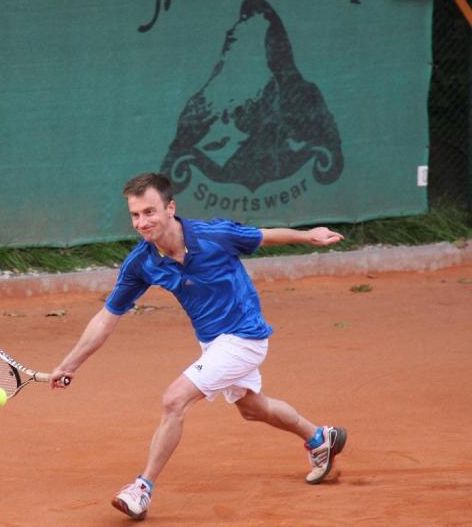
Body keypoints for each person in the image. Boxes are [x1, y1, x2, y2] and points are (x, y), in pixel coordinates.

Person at [49, 172, 347, 521]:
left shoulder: (215, 235)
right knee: (253, 408)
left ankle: (142, 488)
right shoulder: (142, 262)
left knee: (174, 399)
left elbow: (263, 236)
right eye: (135, 215)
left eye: (149, 212)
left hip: (245, 336)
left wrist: (308, 236)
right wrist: (70, 364)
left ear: (170, 208)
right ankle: (319, 439)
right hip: (213, 344)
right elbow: (106, 318)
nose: (142, 222)